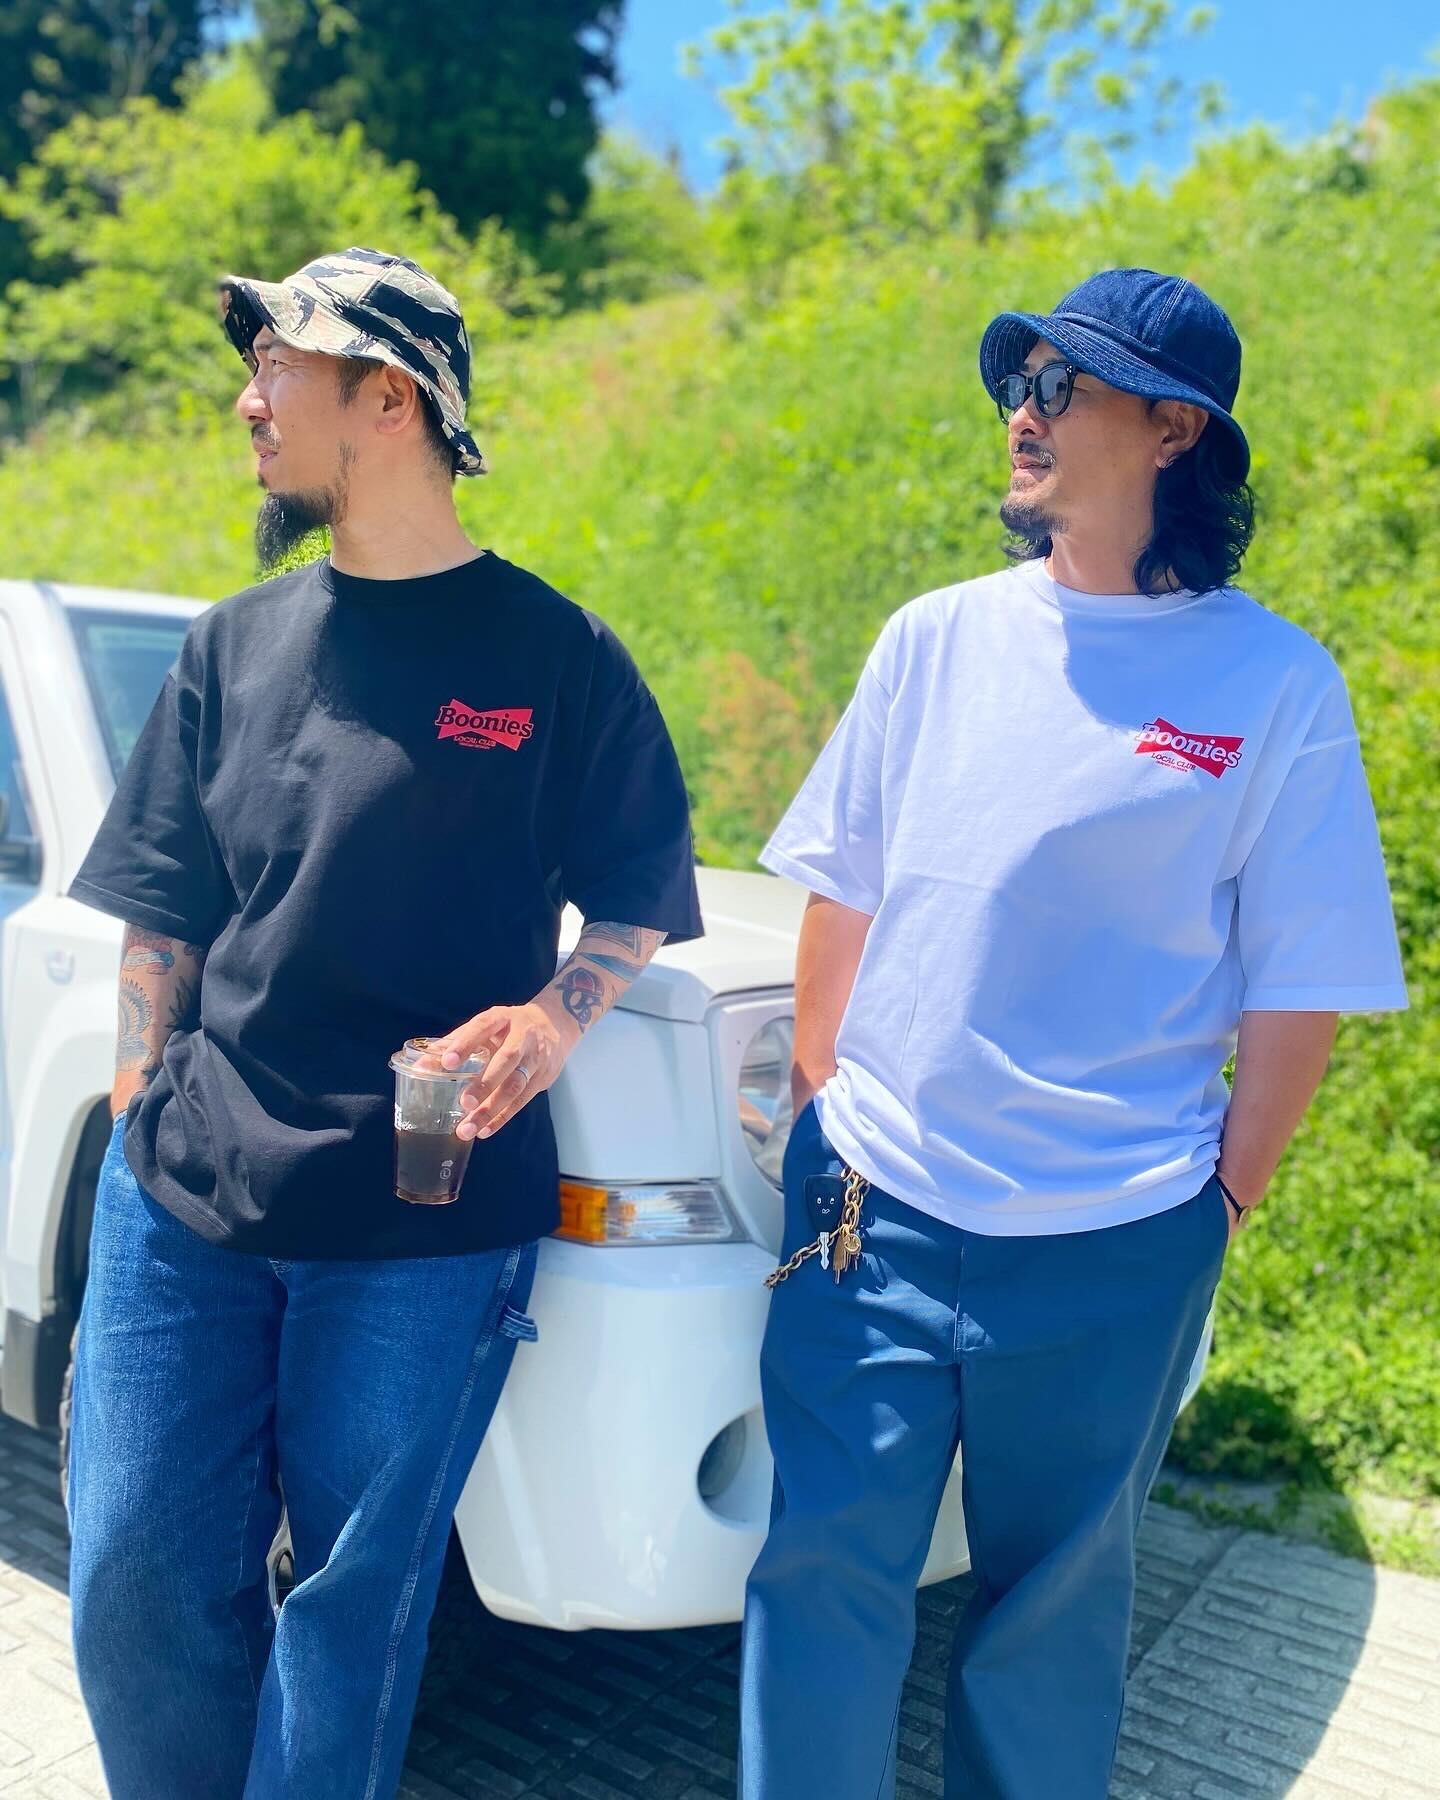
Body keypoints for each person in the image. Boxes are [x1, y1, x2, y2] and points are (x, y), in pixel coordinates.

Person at [739, 267, 1407, 1798]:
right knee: (819, 1582)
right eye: (1016, 383)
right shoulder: (935, 638)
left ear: (1177, 429)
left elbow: (1300, 976)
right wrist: (825, 1102)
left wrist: (1219, 1203)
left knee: (1050, 1621)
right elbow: (846, 880)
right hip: (873, 1211)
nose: (1020, 414)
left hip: (1115, 1236)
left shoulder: (1273, 683)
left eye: (1060, 386)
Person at [65, 246, 702, 1799]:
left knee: (350, 1615)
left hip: (424, 1224)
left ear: (390, 397)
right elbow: (162, 914)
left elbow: (634, 895)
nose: (247, 400)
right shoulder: (229, 646)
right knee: (134, 1573)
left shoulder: (559, 658)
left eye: (276, 365)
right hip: (189, 1204)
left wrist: (556, 1019)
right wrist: (140, 1110)